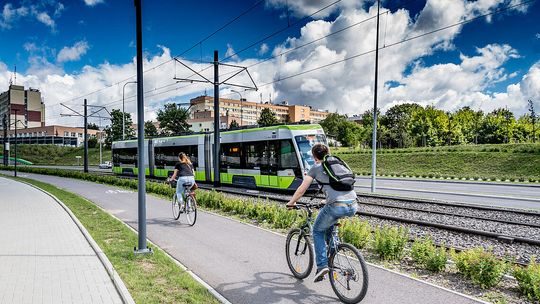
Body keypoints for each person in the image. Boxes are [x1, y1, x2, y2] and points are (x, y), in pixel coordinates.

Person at [286, 143, 358, 283]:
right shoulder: (338, 164)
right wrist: (328, 200)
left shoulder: (316, 167)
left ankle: (322, 266)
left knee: (317, 231)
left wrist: (292, 202)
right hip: (353, 204)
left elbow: (302, 189)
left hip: (336, 206)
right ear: (328, 152)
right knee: (329, 231)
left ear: (314, 157)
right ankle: (334, 256)